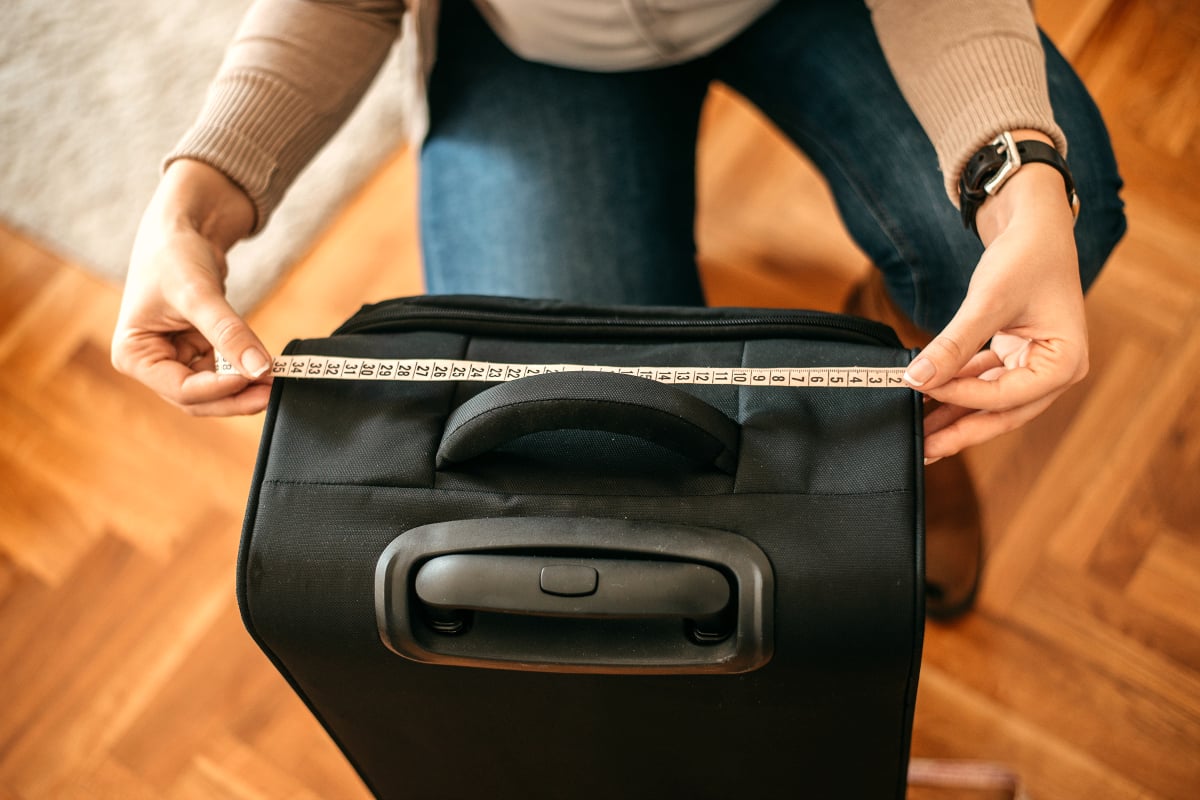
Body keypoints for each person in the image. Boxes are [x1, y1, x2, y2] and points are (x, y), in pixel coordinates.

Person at [111, 0, 1126, 618]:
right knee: (575, 458)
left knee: (1045, 234)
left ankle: (906, 408)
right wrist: (191, 204)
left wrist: (1018, 169)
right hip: (531, 43)